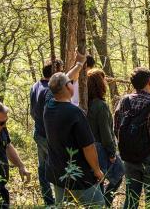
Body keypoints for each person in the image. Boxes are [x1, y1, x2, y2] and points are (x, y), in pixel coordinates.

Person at [30, 52, 86, 205]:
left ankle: (50, 201)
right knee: (58, 168)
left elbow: (32, 111)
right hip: (48, 137)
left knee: (43, 169)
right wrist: (79, 65)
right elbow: (66, 80)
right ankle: (61, 201)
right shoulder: (49, 90)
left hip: (39, 133)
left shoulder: (35, 86)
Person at [113, 67, 150, 209]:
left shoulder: (124, 102)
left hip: (129, 158)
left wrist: (128, 147)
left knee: (131, 199)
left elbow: (117, 129)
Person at [43, 72, 105, 206]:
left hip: (57, 172)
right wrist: (97, 170)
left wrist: (77, 65)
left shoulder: (48, 106)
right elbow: (88, 147)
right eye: (70, 82)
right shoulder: (74, 112)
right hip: (78, 175)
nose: (73, 84)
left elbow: (53, 87)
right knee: (98, 205)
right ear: (67, 86)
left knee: (63, 206)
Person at [87, 68, 124, 207]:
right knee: (119, 172)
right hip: (100, 148)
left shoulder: (87, 104)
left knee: (98, 180)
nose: (105, 82)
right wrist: (112, 153)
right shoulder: (100, 106)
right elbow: (106, 133)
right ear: (98, 84)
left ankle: (101, 203)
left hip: (89, 149)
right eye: (103, 80)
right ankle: (105, 202)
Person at [0, 101, 31, 208]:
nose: (4, 125)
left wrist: (21, 165)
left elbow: (8, 146)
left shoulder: (2, 128)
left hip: (1, 187)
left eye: (6, 121)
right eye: (1, 122)